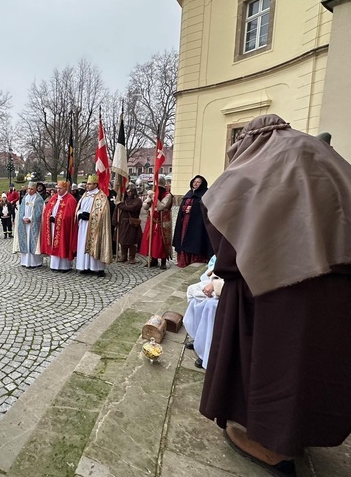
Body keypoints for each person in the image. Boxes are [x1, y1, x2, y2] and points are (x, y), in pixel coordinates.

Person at [199, 114, 351, 476]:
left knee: (276, 367)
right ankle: (302, 432)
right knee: (315, 366)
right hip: (339, 286)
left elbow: (223, 227)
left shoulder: (259, 164)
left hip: (281, 289)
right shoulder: (323, 155)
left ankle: (272, 445)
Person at [75, 175, 113, 277]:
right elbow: (78, 208)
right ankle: (85, 266)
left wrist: (91, 216)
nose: (87, 186)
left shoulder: (101, 196)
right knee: (83, 244)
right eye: (87, 184)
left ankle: (98, 268)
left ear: (95, 184)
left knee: (96, 244)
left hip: (95, 227)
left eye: (89, 184)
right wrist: (79, 214)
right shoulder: (85, 195)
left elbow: (103, 213)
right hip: (83, 225)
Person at [173, 175, 213, 267]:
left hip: (198, 223)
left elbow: (205, 208)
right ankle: (184, 260)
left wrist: (193, 209)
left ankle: (195, 260)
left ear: (202, 184)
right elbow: (182, 206)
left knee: (195, 240)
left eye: (198, 182)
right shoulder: (189, 193)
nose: (195, 183)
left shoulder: (205, 194)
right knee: (184, 239)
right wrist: (185, 208)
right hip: (186, 221)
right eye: (194, 182)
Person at [40, 181, 77, 272]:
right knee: (53, 243)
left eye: (60, 188)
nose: (58, 190)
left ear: (66, 189)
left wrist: (57, 219)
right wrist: (49, 217)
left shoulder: (70, 199)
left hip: (63, 227)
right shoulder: (54, 198)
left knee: (63, 243)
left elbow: (70, 216)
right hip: (53, 226)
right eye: (57, 188)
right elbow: (47, 211)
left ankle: (64, 266)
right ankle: (54, 265)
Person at [139, 176, 173, 269]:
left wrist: (154, 197)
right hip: (152, 222)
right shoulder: (153, 194)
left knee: (162, 242)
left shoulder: (167, 195)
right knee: (151, 242)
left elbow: (161, 206)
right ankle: (153, 259)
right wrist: (149, 199)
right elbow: (145, 207)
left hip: (162, 223)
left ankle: (163, 261)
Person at [14, 182, 44, 268]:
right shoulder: (25, 198)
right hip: (24, 224)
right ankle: (25, 261)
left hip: (33, 224)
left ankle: (35, 262)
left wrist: (30, 218)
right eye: (28, 189)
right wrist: (23, 218)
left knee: (33, 241)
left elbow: (38, 212)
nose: (29, 191)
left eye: (31, 189)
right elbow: (21, 209)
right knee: (26, 241)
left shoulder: (38, 199)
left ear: (35, 189)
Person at [112, 184, 143, 264]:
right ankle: (123, 256)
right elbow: (116, 210)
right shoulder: (123, 200)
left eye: (130, 192)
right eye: (127, 192)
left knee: (132, 241)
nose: (128, 193)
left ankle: (131, 257)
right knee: (122, 240)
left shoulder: (138, 201)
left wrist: (119, 205)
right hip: (122, 223)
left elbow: (131, 208)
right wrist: (114, 219)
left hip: (131, 223)